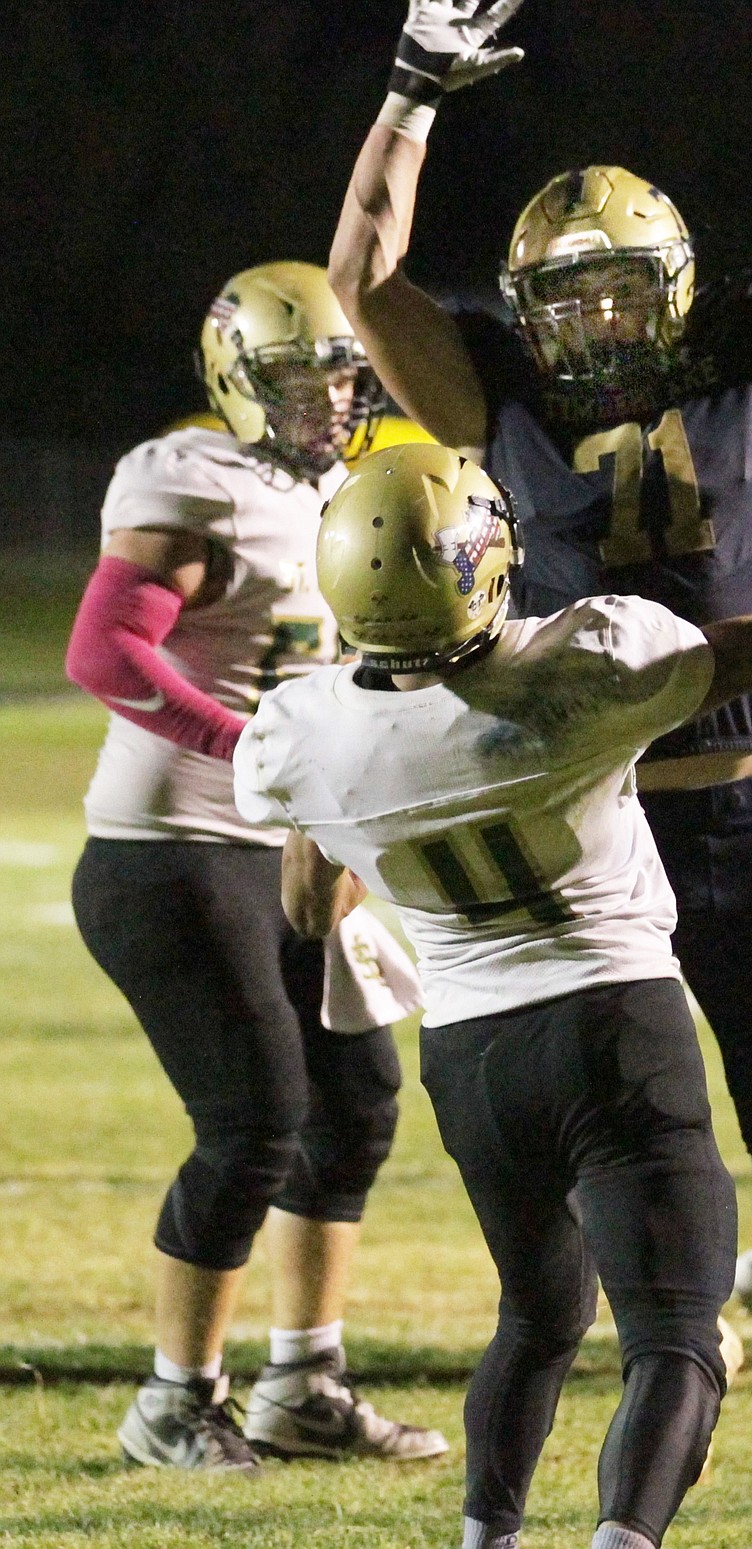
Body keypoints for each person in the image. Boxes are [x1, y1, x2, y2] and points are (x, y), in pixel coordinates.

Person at [325, 1, 752, 1539]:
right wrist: (410, 93)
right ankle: (626, 1420)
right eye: (568, 298)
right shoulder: (486, 387)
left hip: (734, 807)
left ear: (667, 288)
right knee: (595, 1198)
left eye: (619, 292)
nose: (597, 322)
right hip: (585, 840)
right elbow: (357, 281)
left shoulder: (750, 349)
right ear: (529, 306)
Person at [232, 440, 752, 1549]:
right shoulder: (593, 661)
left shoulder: (298, 732)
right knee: (675, 1339)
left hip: (469, 1059)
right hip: (613, 1023)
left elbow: (310, 907)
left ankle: (489, 1537)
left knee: (535, 1318)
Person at [65, 261, 447, 1470]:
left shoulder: (357, 483)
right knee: (255, 1117)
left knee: (355, 1108)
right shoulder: (195, 482)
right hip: (174, 849)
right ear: (235, 379)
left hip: (296, 847)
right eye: (296, 377)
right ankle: (173, 1400)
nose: (326, 398)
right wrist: (254, 748)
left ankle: (304, 1383)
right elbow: (106, 651)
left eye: (341, 374)